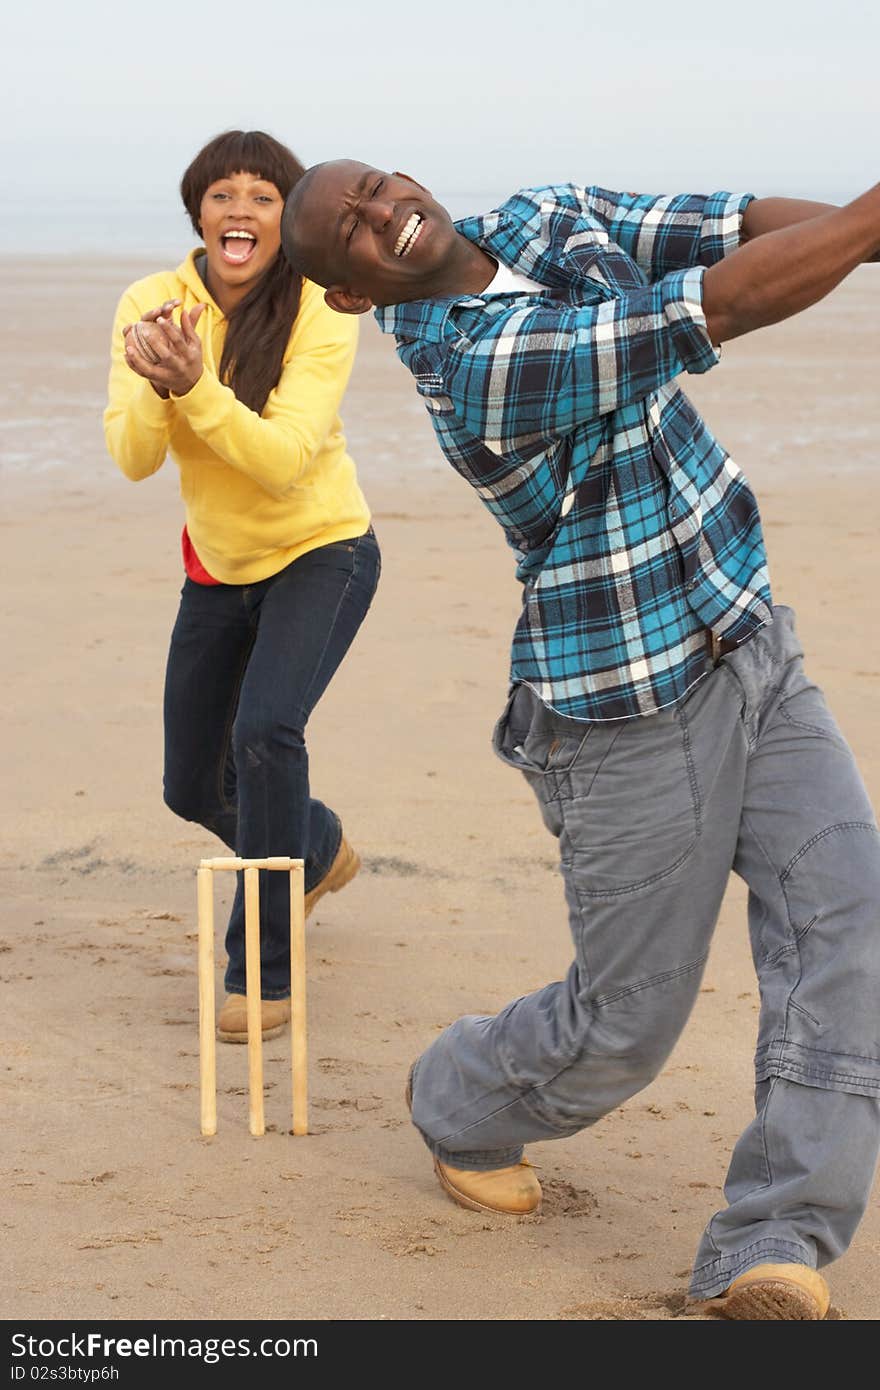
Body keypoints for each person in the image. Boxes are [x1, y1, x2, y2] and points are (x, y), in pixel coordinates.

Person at [280, 161, 880, 1319]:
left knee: (848, 918)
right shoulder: (469, 368)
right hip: (623, 711)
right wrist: (866, 221)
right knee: (624, 1025)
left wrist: (861, 236)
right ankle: (460, 1097)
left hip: (750, 637)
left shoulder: (543, 215)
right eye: (347, 233)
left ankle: (776, 1237)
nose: (374, 212)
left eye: (367, 185)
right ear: (351, 294)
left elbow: (731, 229)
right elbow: (712, 306)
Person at [104, 133, 380, 1044]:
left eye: (264, 196)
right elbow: (135, 459)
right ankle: (318, 844)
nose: (240, 211)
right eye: (223, 194)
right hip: (217, 567)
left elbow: (282, 460)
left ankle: (259, 973)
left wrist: (198, 388)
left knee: (266, 732)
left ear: (289, 219)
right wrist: (159, 385)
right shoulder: (150, 305)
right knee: (192, 784)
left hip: (321, 550)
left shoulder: (322, 305)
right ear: (198, 212)